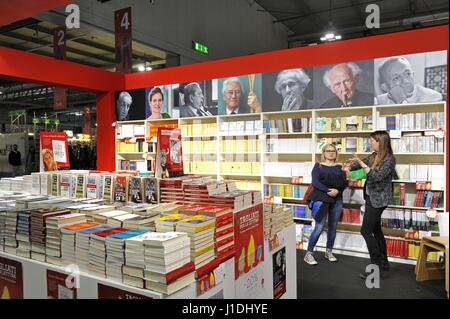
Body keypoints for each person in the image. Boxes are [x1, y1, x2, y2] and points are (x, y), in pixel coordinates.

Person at [344, 131, 398, 279]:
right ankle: (384, 263)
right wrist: (349, 165)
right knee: (376, 231)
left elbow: (376, 177)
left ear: (380, 141)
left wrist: (361, 164)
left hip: (379, 200)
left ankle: (376, 267)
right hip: (370, 197)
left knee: (365, 231)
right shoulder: (373, 156)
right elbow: (357, 165)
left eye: (372, 141)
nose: (370, 143)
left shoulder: (389, 160)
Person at [304, 143, 347, 265]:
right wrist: (329, 191)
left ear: (336, 153)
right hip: (321, 199)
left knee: (333, 226)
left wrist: (337, 191)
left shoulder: (340, 167)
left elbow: (344, 183)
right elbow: (315, 182)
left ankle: (329, 251)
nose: (331, 152)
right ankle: (309, 254)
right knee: (319, 226)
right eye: (328, 151)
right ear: (324, 153)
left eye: (333, 151)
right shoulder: (318, 166)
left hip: (337, 199)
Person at [376, 56, 442, 104]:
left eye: (408, 74)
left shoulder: (432, 97)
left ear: (413, 74)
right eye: (396, 78)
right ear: (385, 87)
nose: (405, 81)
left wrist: (401, 101)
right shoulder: (380, 101)